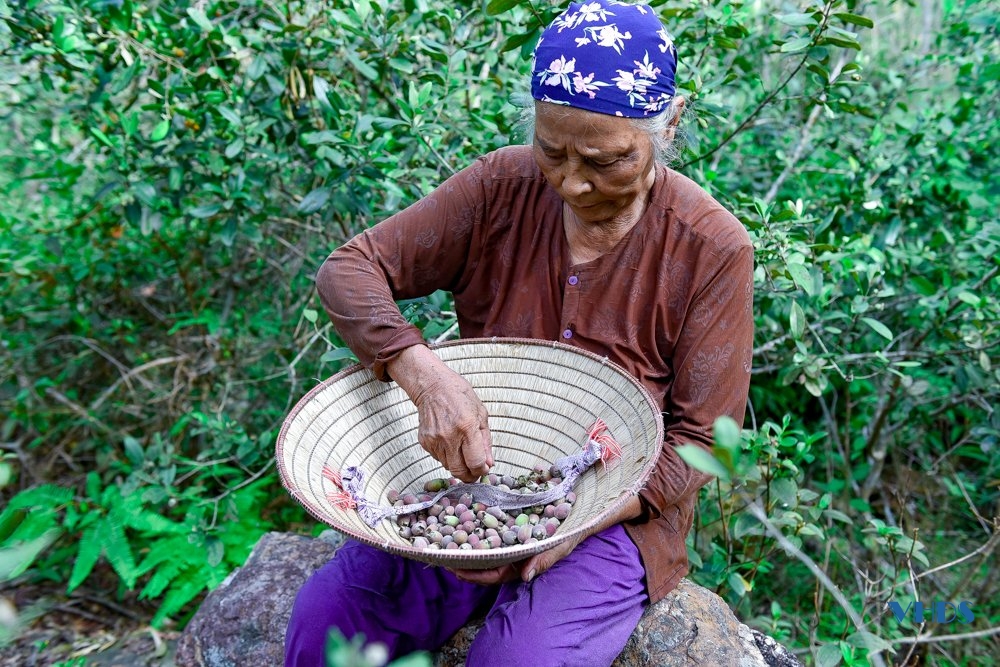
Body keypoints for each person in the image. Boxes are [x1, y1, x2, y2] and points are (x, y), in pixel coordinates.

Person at [285, 1, 753, 664]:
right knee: (331, 617)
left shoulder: (710, 248)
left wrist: (582, 515)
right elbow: (351, 270)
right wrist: (423, 372)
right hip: (476, 481)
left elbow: (704, 441)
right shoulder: (500, 187)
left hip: (618, 521)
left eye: (605, 160)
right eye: (552, 150)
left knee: (517, 656)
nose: (571, 182)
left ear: (670, 122)